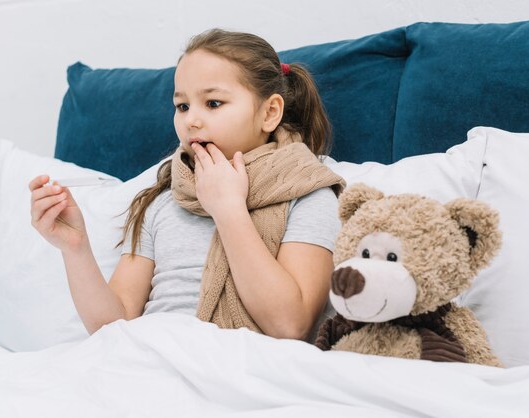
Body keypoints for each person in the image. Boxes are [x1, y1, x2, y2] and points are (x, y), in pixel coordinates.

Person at [29, 28, 345, 341]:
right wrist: (76, 249)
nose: (191, 120)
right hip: (148, 361)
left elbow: (291, 326)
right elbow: (112, 329)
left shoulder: (308, 196)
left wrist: (229, 210)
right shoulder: (162, 202)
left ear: (270, 113)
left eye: (213, 103)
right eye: (182, 106)